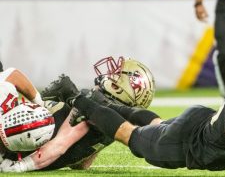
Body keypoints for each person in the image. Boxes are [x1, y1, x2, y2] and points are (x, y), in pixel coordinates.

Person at [41, 48, 225, 176]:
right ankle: (76, 95)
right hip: (188, 145)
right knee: (132, 136)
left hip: (197, 123)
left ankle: (105, 104)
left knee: (156, 125)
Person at [0, 56, 156, 172]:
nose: (110, 74)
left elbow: (59, 146)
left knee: (7, 80)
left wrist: (19, 166)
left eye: (117, 74)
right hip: (21, 146)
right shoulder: (113, 124)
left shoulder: (94, 103)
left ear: (122, 88)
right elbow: (81, 164)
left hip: (12, 148)